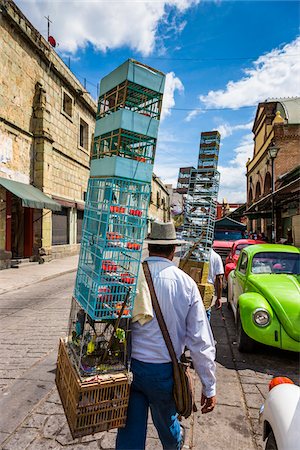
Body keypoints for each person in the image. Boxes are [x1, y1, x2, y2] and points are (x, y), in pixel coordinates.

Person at [116, 222, 216, 450]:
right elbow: (200, 341)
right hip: (163, 371)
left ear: (150, 248)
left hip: (131, 368)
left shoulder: (131, 277)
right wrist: (209, 387)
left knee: (129, 428)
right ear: (173, 250)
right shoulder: (186, 283)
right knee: (167, 425)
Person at [206, 249, 224, 321]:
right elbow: (219, 279)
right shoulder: (216, 257)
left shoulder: (193, 254)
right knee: (206, 311)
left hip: (193, 288)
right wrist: (219, 298)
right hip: (208, 290)